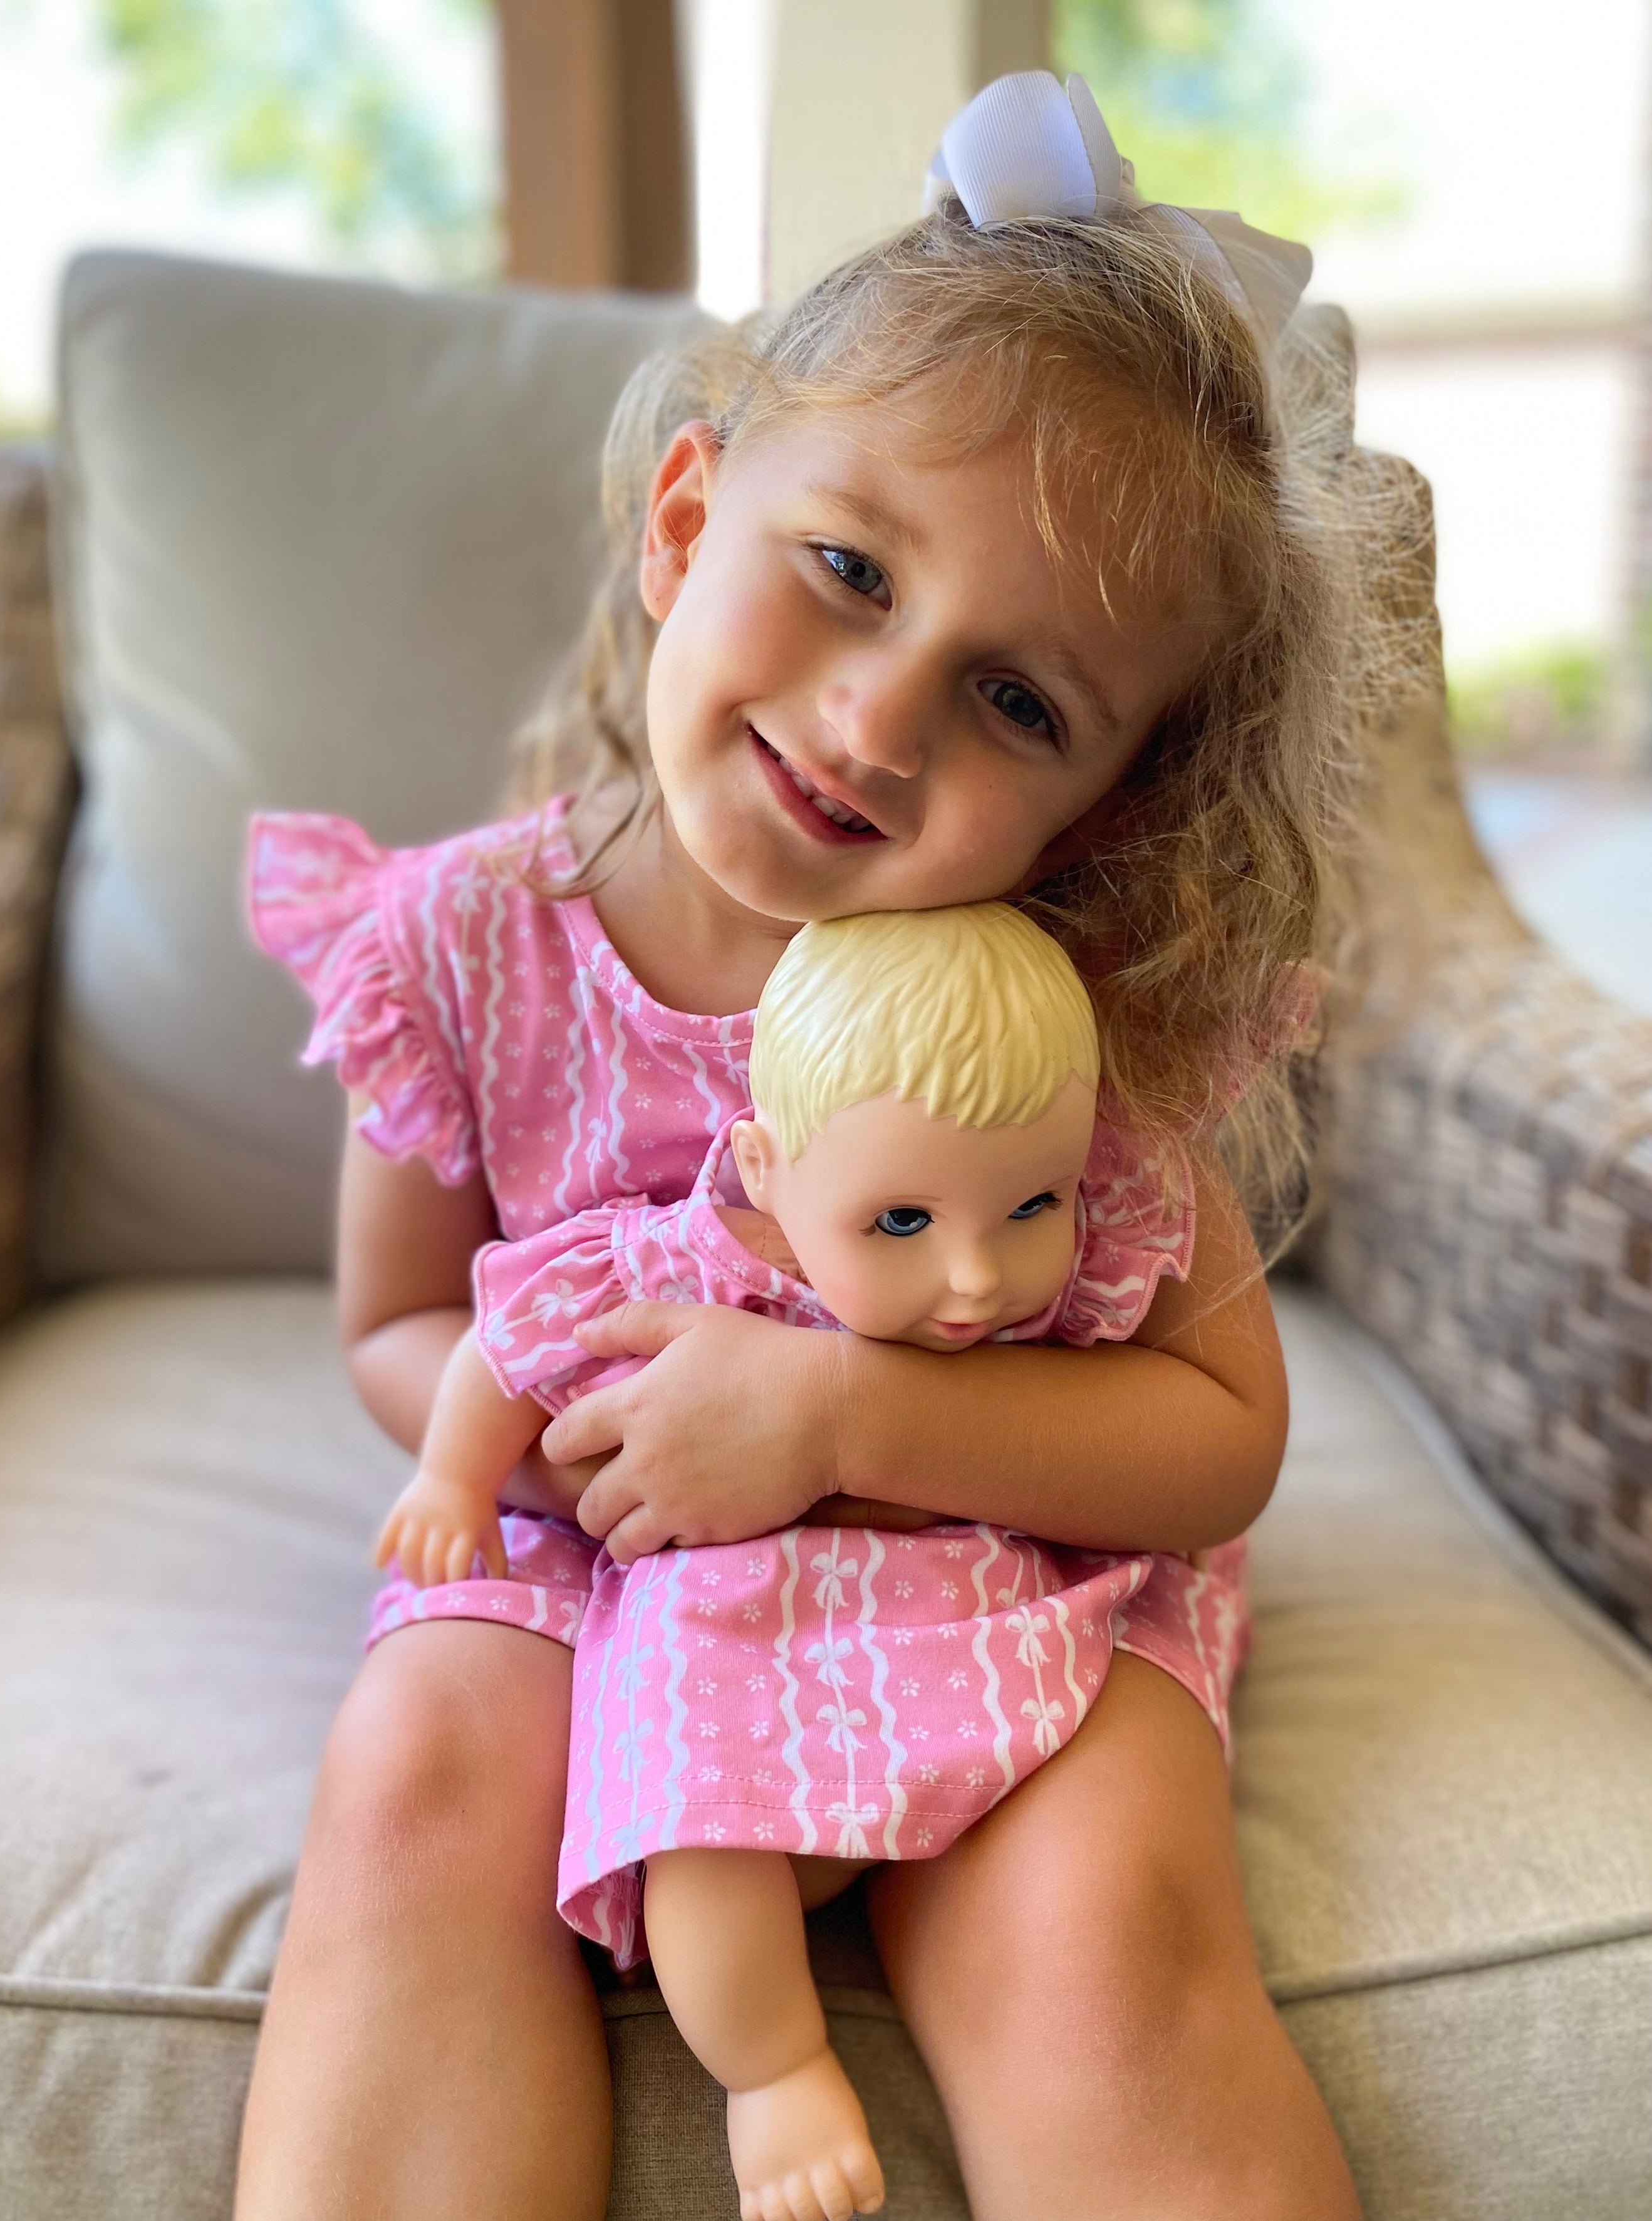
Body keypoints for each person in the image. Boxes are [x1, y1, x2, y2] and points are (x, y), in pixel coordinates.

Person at [239, 68, 1364, 2221]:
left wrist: (843, 1413)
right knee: (417, 1768)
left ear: (1100, 808)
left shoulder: (1069, 1011)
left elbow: (1217, 1437)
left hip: (1002, 1551)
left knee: (1100, 1911)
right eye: (846, 570)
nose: (876, 719)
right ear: (686, 524)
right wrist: (601, 1450)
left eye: (1019, 702)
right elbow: (397, 1315)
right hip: (606, 1538)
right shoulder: (473, 939)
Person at [375, 900, 1197, 2221]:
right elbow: (509, 1339)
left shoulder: (1077, 1262)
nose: (977, 1278)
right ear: (765, 1170)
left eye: (1031, 1203)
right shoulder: (691, 1259)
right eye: (900, 1223)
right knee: (699, 1821)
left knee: (1077, 1869)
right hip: (732, 1615)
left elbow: (1177, 1417)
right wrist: (451, 1477)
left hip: (966, 1598)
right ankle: (771, 2068)